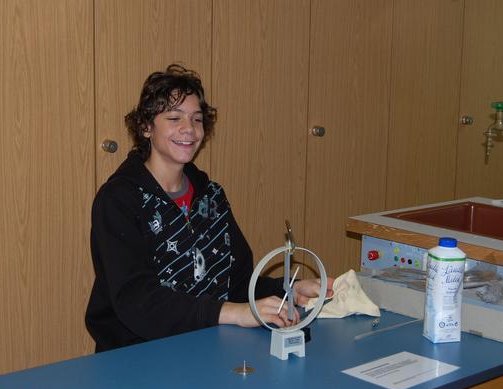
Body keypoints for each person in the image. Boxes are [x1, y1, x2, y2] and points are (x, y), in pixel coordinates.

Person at [85, 64, 333, 352]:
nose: (189, 129)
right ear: (146, 127)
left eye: (197, 119)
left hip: (207, 345)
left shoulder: (211, 196)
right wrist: (231, 313)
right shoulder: (119, 200)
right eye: (174, 118)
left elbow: (235, 285)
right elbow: (138, 301)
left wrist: (288, 290)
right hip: (136, 355)